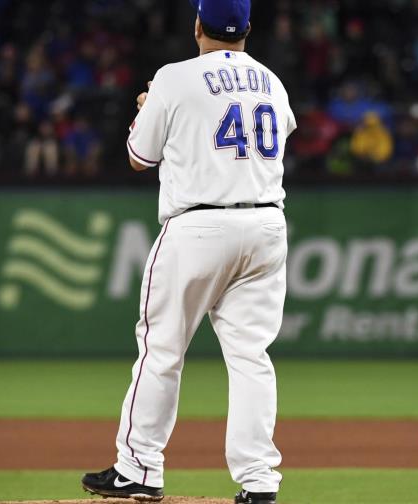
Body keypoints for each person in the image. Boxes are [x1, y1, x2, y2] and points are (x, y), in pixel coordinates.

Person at [82, 1, 296, 503]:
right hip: (266, 223)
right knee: (251, 358)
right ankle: (259, 483)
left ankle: (138, 468)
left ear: (196, 25)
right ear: (247, 28)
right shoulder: (271, 80)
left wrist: (150, 108)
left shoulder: (174, 78)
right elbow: (279, 131)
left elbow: (139, 157)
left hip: (199, 225)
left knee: (162, 350)